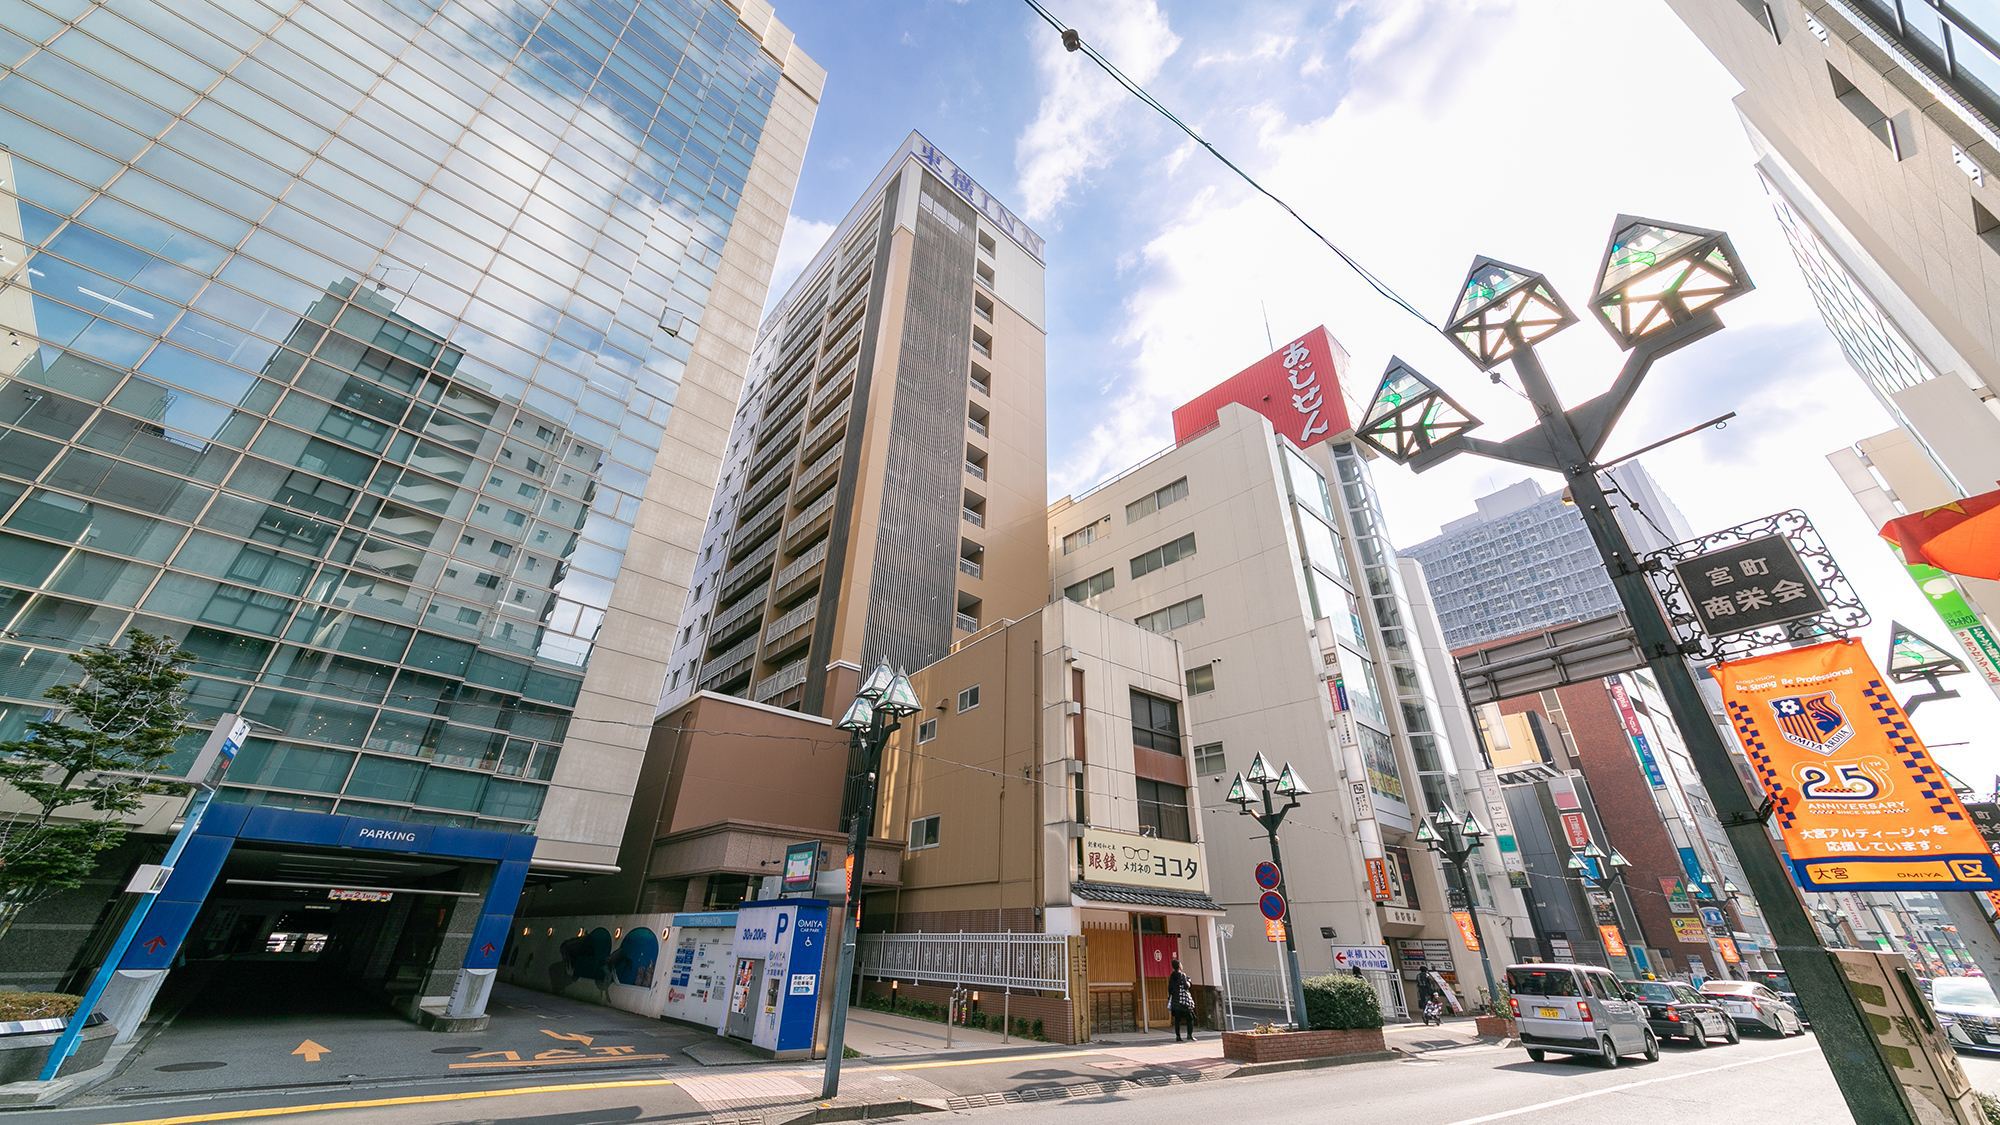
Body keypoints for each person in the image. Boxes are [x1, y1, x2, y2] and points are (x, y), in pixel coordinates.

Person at [1167, 959, 1196, 1042]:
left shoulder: (1172, 975)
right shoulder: (1182, 975)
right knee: (1190, 1018)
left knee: (1177, 1020)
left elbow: (1170, 988)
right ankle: (1189, 1035)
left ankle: (1178, 1036)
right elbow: (1186, 986)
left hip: (1175, 1000)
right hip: (1183, 1000)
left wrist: (1170, 997)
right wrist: (1189, 981)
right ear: (1179, 966)